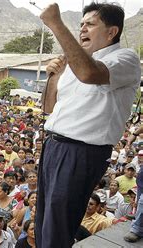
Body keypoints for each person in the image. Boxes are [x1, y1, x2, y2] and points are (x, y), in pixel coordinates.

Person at [37, 2, 141, 247]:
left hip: (80, 152)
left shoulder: (125, 58)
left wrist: (55, 24)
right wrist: (54, 76)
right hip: (53, 146)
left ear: (111, 32)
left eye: (90, 24)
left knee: (58, 226)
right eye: (81, 24)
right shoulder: (76, 63)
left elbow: (90, 74)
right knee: (44, 222)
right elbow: (48, 108)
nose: (82, 29)